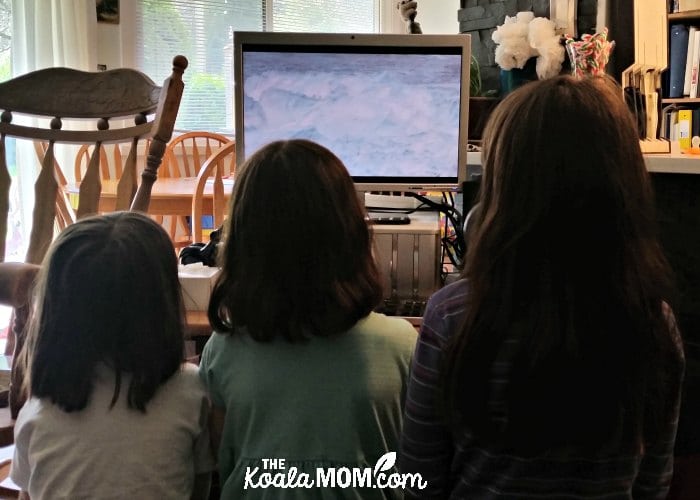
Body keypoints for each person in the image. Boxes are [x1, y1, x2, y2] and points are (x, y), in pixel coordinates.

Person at [399, 75, 685, 498]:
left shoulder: (452, 315)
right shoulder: (656, 324)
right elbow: (653, 485)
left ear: (502, 192)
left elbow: (419, 481)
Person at [199, 139, 417, 498]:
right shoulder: (401, 344)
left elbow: (224, 459)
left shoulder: (223, 351)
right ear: (352, 233)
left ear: (241, 244)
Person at [11, 211, 215, 500]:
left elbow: (28, 495)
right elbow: (199, 490)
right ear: (162, 305)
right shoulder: (190, 391)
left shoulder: (38, 411)